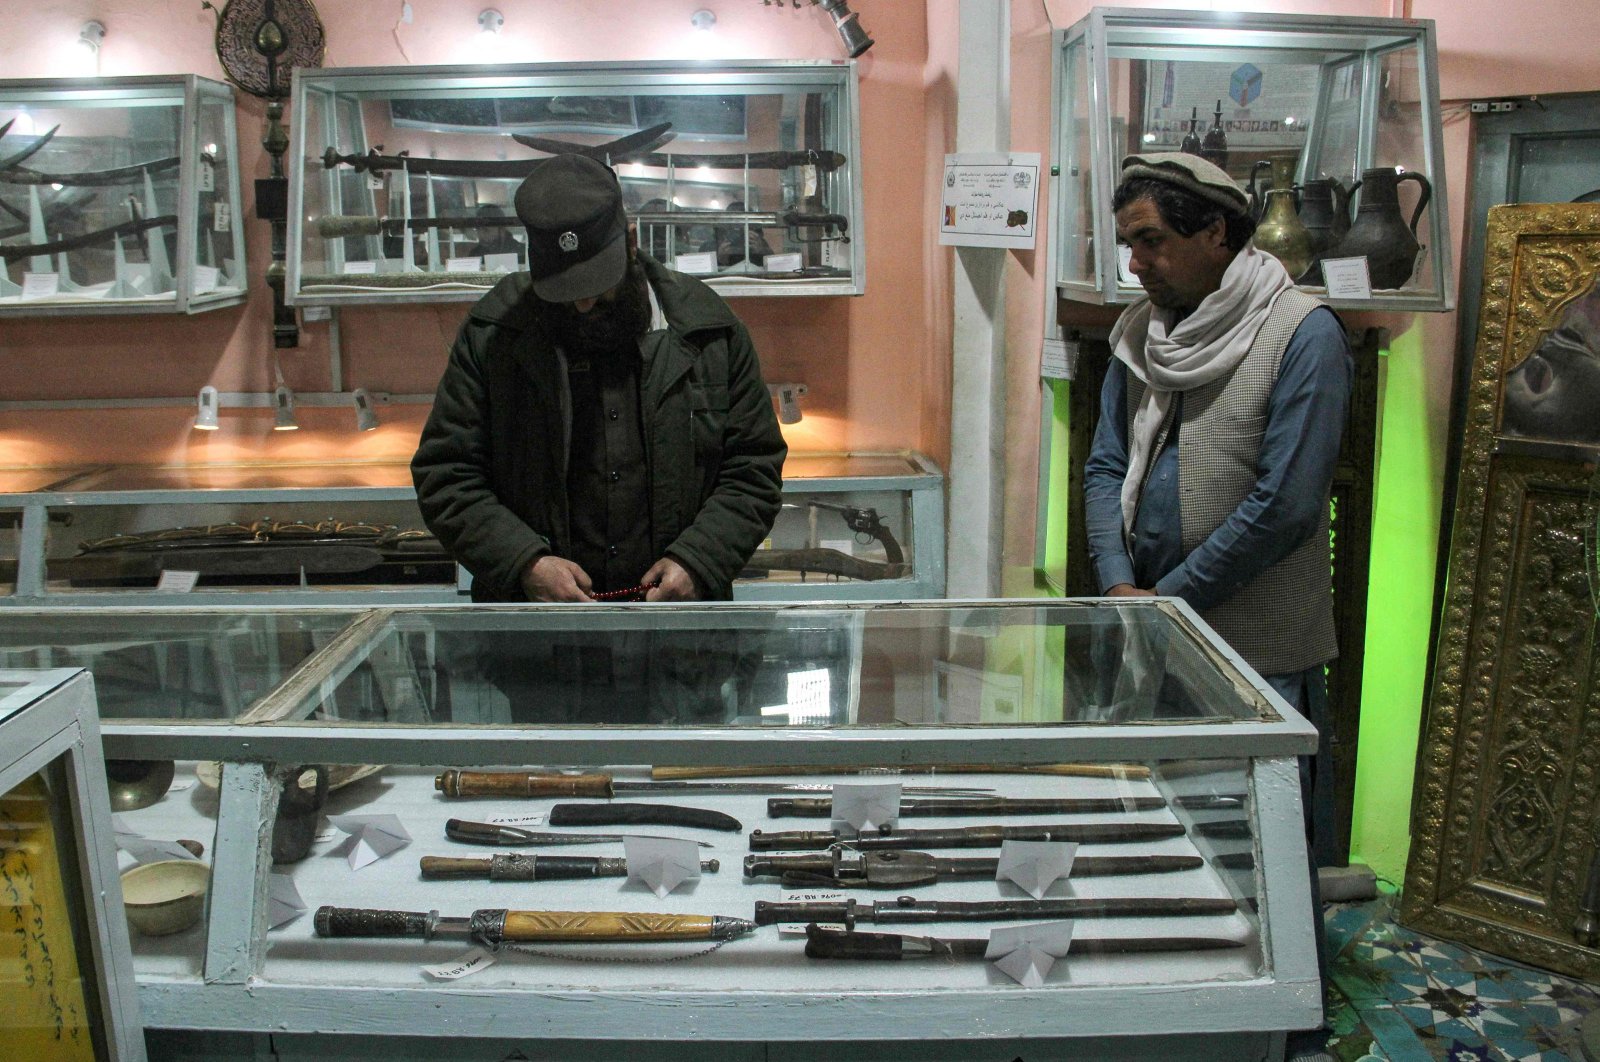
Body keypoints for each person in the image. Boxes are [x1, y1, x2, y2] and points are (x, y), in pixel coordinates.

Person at [1083, 152, 1351, 1060]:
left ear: (1216, 233)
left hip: (1255, 642)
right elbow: (1107, 465)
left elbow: (1286, 503)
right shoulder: (1140, 332)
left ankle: (1285, 1032)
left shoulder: (1301, 332)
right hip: (1148, 630)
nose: (1136, 265)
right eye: (1127, 246)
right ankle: (1175, 1014)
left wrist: (1173, 605)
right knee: (1168, 832)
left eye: (1151, 241)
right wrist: (1122, 585)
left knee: (1267, 856)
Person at [412, 153, 786, 721]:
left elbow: (752, 468)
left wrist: (699, 559)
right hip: (543, 655)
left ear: (630, 242)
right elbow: (447, 474)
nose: (584, 305)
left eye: (598, 287)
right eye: (566, 292)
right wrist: (526, 564)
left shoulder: (709, 330)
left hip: (682, 650)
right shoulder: (495, 338)